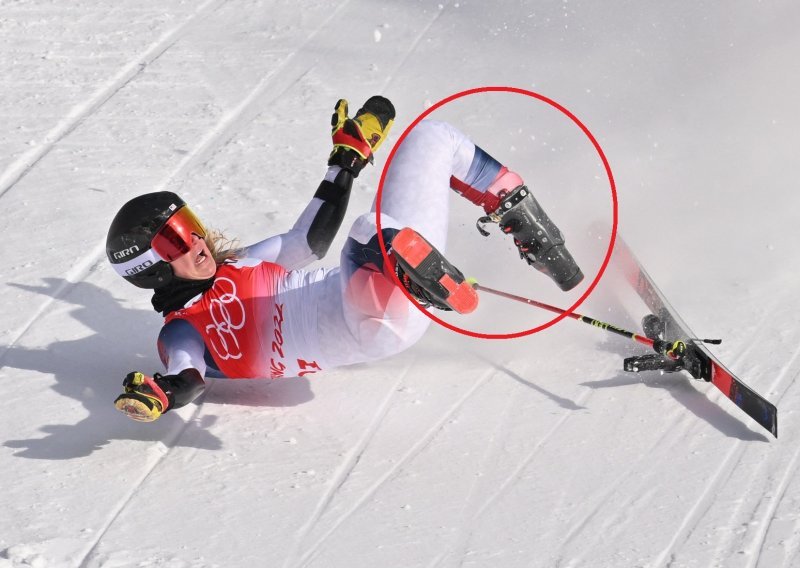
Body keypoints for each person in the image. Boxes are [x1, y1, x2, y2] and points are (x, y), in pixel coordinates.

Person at [106, 96, 582, 422]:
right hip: (367, 325)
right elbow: (188, 376)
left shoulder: (240, 263)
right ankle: (417, 275)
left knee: (433, 138)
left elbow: (307, 240)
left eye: (189, 227)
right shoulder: (182, 329)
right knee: (367, 230)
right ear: (149, 268)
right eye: (174, 243)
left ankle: (532, 231)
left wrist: (346, 161)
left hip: (377, 283)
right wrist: (162, 395)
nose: (196, 243)